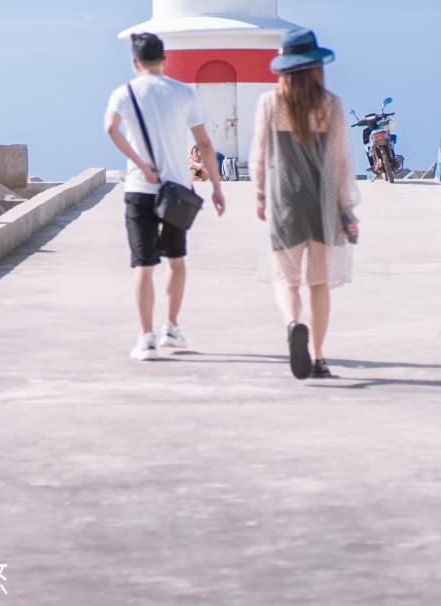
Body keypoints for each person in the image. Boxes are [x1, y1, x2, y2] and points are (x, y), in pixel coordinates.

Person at [105, 32, 226, 361]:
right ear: (164, 59)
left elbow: (111, 128)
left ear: (135, 62)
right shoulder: (184, 93)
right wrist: (216, 187)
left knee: (143, 265)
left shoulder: (125, 93)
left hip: (139, 188)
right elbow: (204, 144)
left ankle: (145, 338)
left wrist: (142, 164)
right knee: (176, 260)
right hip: (177, 190)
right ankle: (170, 328)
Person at [250, 28, 359, 380]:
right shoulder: (331, 105)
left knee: (286, 279)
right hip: (322, 203)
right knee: (318, 283)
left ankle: (293, 324)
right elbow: (341, 160)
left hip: (285, 202)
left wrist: (260, 194)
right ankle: (318, 357)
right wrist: (347, 207)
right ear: (316, 66)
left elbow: (258, 155)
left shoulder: (270, 103)